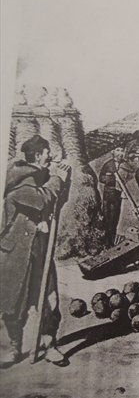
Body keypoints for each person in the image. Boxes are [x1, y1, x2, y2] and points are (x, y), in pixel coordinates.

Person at [0, 135, 71, 367]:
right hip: (17, 252)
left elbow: (55, 201)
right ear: (39, 154)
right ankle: (12, 347)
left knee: (50, 298)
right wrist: (57, 178)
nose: (50, 156)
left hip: (40, 249)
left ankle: (48, 344)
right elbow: (40, 200)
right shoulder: (19, 178)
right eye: (48, 152)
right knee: (15, 302)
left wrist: (63, 180)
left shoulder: (40, 176)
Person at [98, 146, 135, 246]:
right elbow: (101, 178)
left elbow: (131, 174)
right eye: (118, 150)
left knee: (114, 218)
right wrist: (111, 178)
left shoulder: (125, 165)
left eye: (122, 151)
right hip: (108, 194)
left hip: (118, 195)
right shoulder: (108, 164)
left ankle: (112, 240)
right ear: (113, 152)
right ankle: (106, 240)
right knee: (106, 216)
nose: (120, 153)